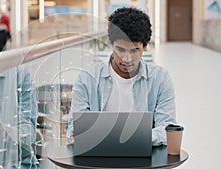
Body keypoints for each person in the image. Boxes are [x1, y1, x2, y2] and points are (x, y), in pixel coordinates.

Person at [67, 7, 176, 146]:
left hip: (143, 160)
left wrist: (117, 138)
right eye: (120, 49)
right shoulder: (87, 78)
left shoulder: (160, 79)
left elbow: (167, 129)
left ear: (145, 46)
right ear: (111, 43)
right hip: (98, 161)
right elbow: (74, 128)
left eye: (135, 50)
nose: (127, 59)